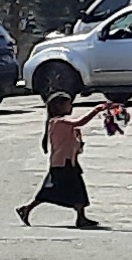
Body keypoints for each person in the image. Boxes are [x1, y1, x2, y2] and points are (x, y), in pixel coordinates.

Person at [20, 92, 103, 228]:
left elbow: (75, 143)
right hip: (61, 163)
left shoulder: (67, 124)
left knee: (78, 190)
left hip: (70, 162)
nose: (70, 107)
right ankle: (27, 208)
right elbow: (80, 122)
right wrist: (97, 110)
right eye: (67, 104)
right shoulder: (57, 122)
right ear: (57, 107)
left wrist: (79, 141)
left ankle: (81, 217)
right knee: (50, 192)